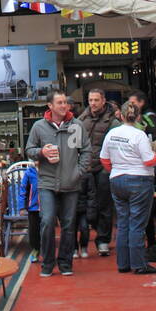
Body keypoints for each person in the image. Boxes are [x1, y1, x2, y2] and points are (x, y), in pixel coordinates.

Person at [25, 89, 91, 277]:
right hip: (46, 183)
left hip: (71, 183)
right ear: (50, 106)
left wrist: (78, 172)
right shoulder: (39, 127)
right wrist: (41, 153)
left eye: (65, 103)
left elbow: (86, 151)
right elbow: (29, 149)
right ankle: (47, 263)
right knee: (46, 222)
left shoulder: (76, 126)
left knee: (69, 224)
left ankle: (65, 263)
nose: (64, 106)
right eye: (60, 103)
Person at [99, 101, 156, 274]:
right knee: (137, 224)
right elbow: (149, 160)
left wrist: (117, 170)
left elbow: (104, 159)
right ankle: (139, 264)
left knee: (123, 223)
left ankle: (123, 263)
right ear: (138, 116)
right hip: (139, 180)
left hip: (117, 180)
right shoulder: (139, 135)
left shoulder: (112, 134)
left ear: (120, 115)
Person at [76, 89, 120, 257]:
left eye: (96, 100)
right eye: (90, 100)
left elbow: (116, 144)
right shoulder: (81, 120)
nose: (93, 103)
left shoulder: (112, 121)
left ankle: (103, 240)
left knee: (104, 204)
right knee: (85, 204)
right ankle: (91, 232)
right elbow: (74, 142)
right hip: (85, 167)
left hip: (103, 167)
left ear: (103, 101)